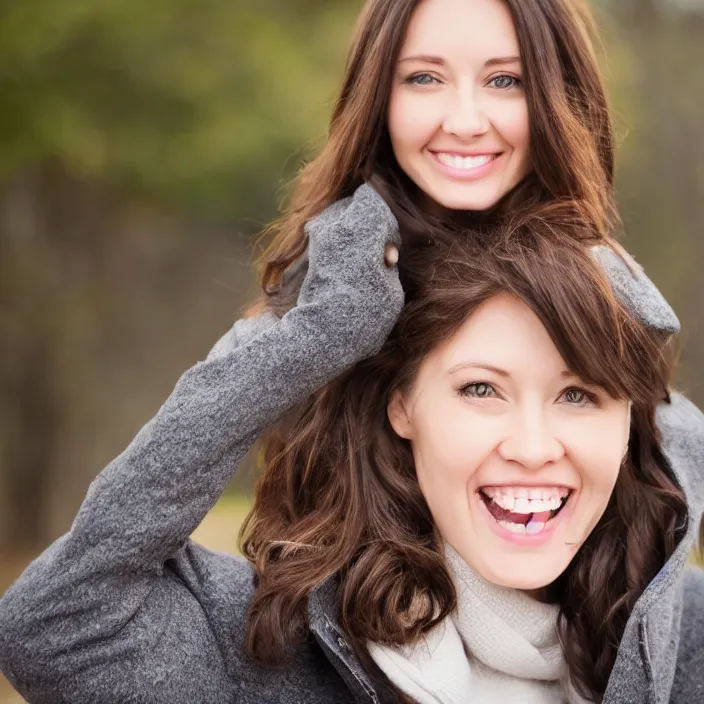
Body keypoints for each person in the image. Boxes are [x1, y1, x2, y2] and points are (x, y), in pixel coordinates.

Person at [0, 0, 702, 701]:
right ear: (401, 405)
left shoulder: (677, 641)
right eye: (424, 77)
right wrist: (310, 335)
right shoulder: (267, 650)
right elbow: (51, 623)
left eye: (506, 80)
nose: (464, 119)